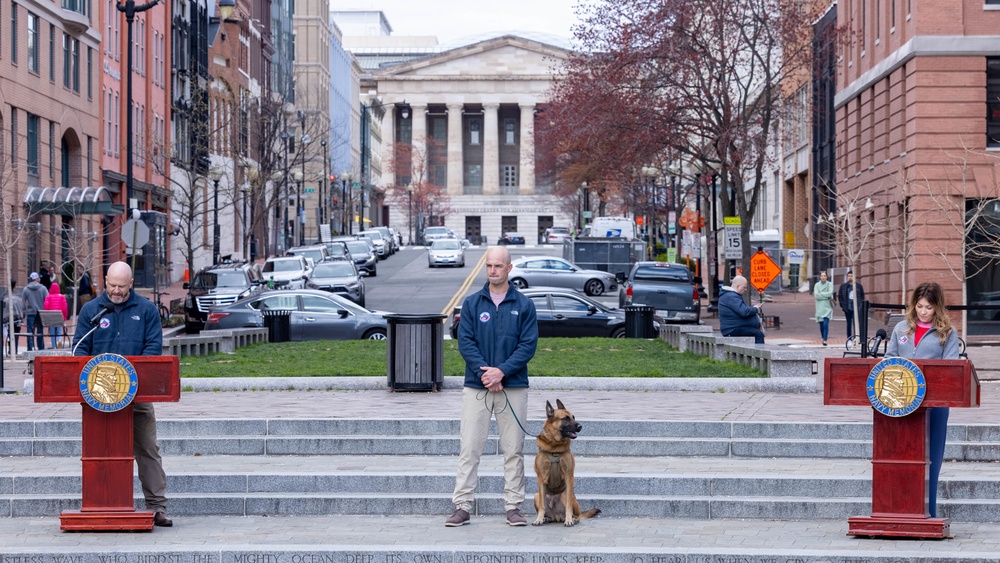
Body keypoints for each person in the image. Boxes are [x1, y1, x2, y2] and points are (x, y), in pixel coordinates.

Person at [72, 262, 173, 527]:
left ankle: (157, 506)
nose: (116, 291)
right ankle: (100, 505)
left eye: (122, 286)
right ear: (105, 280)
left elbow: (153, 348)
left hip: (136, 396)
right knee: (100, 450)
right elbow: (80, 349)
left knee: (148, 449)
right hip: (98, 400)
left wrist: (131, 378)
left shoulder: (147, 310)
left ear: (131, 284)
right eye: (112, 285)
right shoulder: (92, 311)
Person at [447, 246, 538, 528]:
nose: (493, 270)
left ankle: (513, 506)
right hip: (477, 386)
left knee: (514, 450)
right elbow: (466, 342)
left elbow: (528, 345)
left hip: (513, 388)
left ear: (509, 268)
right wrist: (485, 373)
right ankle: (462, 505)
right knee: (470, 447)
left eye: (498, 266)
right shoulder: (473, 304)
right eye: (489, 266)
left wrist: (502, 372)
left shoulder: (524, 306)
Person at [885, 282, 960, 519]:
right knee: (900, 457)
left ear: (937, 308)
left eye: (928, 307)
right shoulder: (900, 329)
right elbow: (889, 360)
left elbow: (950, 369)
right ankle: (900, 510)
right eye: (919, 306)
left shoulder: (947, 332)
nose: (923, 311)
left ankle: (929, 513)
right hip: (902, 404)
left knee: (931, 460)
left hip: (934, 406)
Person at [718, 275, 765, 344]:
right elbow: (744, 312)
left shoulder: (731, 295)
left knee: (756, 332)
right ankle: (760, 354)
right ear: (738, 286)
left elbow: (741, 309)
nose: (745, 290)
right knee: (758, 334)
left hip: (733, 327)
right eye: (744, 287)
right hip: (732, 329)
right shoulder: (732, 297)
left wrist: (753, 308)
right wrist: (755, 309)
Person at [22, 272, 49, 351]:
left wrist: (24, 312)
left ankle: (30, 348)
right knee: (40, 331)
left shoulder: (26, 289)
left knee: (30, 332)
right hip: (40, 313)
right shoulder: (43, 288)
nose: (40, 279)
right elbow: (47, 300)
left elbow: (23, 302)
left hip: (30, 313)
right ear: (36, 279)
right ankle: (40, 348)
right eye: (39, 278)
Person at [838, 271, 865, 341]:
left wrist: (860, 305)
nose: (850, 277)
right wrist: (843, 305)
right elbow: (840, 296)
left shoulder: (858, 286)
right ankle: (849, 338)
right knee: (849, 324)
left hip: (856, 308)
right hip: (847, 308)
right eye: (849, 276)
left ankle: (856, 337)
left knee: (856, 323)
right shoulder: (844, 286)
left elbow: (862, 296)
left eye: (851, 276)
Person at [43, 282, 69, 349]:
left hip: (51, 317)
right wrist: (65, 316)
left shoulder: (48, 297)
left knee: (52, 332)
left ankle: (54, 346)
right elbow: (65, 307)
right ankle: (59, 340)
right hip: (59, 316)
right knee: (59, 331)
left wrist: (46, 316)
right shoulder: (62, 297)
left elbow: (46, 307)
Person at [2, 280, 24, 357]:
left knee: (9, 334)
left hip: (6, 319)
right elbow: (22, 307)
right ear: (15, 286)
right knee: (16, 335)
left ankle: (11, 350)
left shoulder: (4, 296)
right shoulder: (19, 296)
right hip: (18, 318)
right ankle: (15, 350)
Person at [813, 271, 834, 346]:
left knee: (825, 324)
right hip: (819, 307)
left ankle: (825, 339)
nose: (823, 277)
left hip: (827, 307)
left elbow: (830, 293)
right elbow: (816, 295)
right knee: (821, 325)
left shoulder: (830, 284)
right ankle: (823, 337)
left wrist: (821, 293)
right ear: (820, 277)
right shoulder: (817, 285)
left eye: (825, 275)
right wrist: (825, 295)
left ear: (827, 276)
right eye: (822, 276)